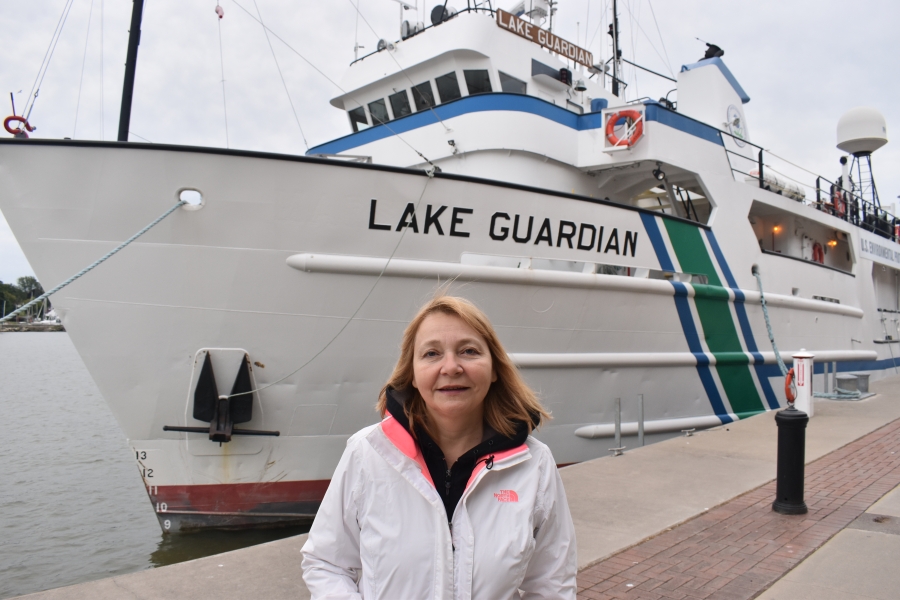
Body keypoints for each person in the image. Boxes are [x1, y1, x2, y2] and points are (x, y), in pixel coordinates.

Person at [301, 295, 577, 599]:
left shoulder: (534, 464)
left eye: (469, 351)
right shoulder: (367, 452)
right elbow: (327, 564)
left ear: (495, 368)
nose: (451, 367)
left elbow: (552, 583)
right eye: (432, 353)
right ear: (413, 375)